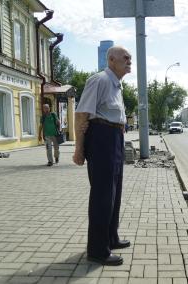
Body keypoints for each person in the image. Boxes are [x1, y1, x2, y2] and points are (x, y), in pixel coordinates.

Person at [72, 46, 132, 266]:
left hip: (114, 138)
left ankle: (111, 238)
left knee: (115, 193)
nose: (129, 61)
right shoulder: (99, 80)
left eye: (130, 58)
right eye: (125, 57)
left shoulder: (117, 84)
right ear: (111, 59)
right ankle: (97, 250)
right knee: (102, 196)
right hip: (101, 139)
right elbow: (81, 114)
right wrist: (79, 149)